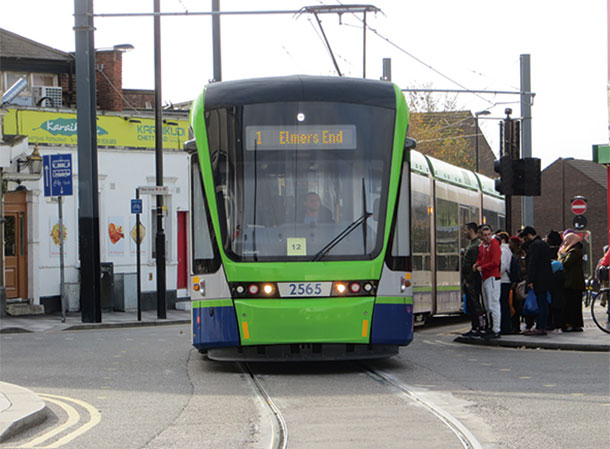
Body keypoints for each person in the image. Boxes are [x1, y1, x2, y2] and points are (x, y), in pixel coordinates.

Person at [521, 226, 553, 336]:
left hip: (538, 279)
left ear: (529, 235)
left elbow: (533, 264)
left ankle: (540, 327)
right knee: (544, 303)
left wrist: (530, 280)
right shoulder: (544, 244)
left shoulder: (534, 246)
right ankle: (543, 326)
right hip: (546, 278)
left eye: (526, 238)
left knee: (541, 304)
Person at [474, 224, 502, 338]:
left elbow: (495, 262)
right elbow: (481, 258)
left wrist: (482, 267)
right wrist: (477, 264)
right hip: (485, 277)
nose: (487, 237)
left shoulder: (494, 244)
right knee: (487, 304)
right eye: (484, 235)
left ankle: (496, 328)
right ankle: (490, 327)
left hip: (492, 277)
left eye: (488, 235)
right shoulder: (483, 246)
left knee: (493, 304)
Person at [461, 222, 486, 337]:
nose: (464, 232)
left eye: (465, 230)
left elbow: (471, 265)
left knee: (474, 304)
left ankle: (477, 327)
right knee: (472, 304)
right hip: (471, 279)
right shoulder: (474, 244)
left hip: (472, 280)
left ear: (471, 230)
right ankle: (476, 326)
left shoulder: (475, 246)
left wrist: (468, 280)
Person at [558, 232, 585, 332]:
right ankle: (574, 324)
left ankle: (573, 324)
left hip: (572, 283)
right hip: (573, 283)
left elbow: (566, 263)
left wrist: (561, 255)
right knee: (574, 305)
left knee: (572, 305)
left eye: (566, 241)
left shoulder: (574, 251)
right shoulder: (574, 250)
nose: (564, 243)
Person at [496, 231, 514, 334]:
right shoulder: (507, 250)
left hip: (503, 280)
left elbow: (502, 266)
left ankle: (505, 327)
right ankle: (506, 327)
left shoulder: (503, 250)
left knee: (503, 304)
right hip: (505, 280)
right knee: (504, 303)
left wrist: (497, 275)